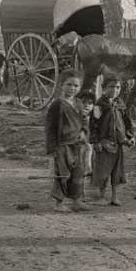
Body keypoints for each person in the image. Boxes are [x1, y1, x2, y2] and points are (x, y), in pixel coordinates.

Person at [45, 69, 91, 212]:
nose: (72, 88)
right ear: (61, 85)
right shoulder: (57, 104)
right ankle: (58, 203)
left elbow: (83, 120)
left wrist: (84, 131)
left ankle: (76, 200)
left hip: (77, 145)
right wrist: (52, 149)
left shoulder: (78, 103)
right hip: (62, 145)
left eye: (76, 86)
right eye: (69, 84)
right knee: (62, 174)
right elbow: (50, 128)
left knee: (78, 172)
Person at [90, 76, 134, 206]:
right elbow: (93, 124)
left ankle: (115, 196)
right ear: (104, 89)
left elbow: (127, 122)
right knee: (102, 171)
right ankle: (102, 196)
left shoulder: (120, 104)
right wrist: (96, 141)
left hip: (118, 143)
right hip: (104, 143)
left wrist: (129, 137)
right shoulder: (99, 105)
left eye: (118, 87)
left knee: (117, 171)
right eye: (111, 87)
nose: (115, 90)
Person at [78, 90, 96, 195]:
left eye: (90, 103)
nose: (86, 105)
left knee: (84, 171)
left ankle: (82, 193)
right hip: (77, 148)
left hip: (89, 149)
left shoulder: (93, 119)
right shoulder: (75, 117)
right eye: (83, 102)